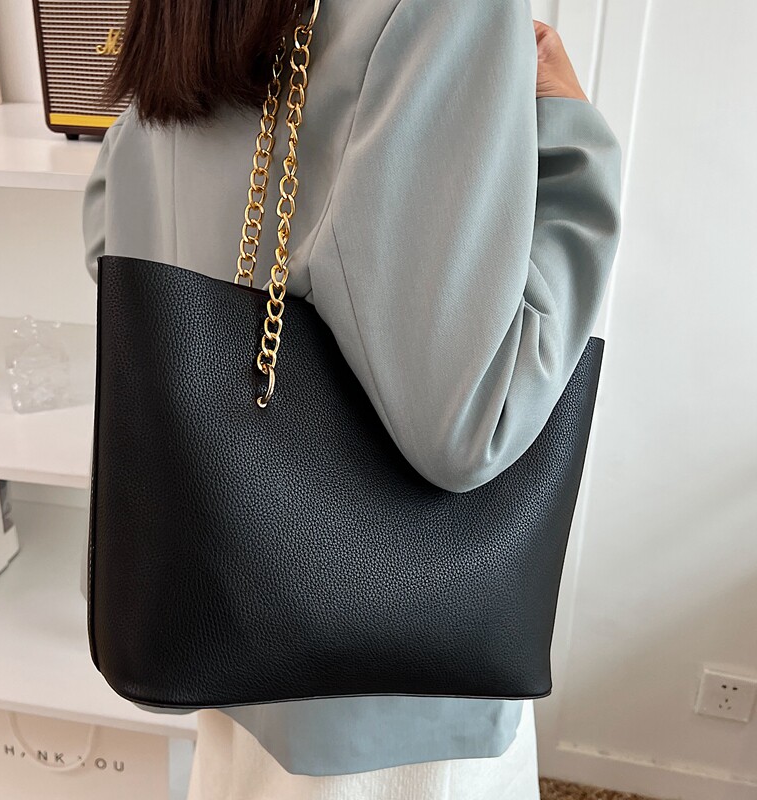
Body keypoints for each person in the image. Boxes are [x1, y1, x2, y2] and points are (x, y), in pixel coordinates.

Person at [82, 0, 622, 797]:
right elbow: (472, 425)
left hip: (225, 609)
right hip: (390, 714)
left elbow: (110, 242)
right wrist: (575, 147)